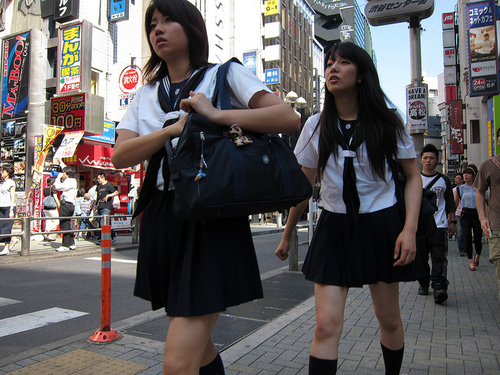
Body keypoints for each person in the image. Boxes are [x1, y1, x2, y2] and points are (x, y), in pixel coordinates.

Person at [110, 1, 300, 373]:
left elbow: (286, 117)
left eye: (168, 20)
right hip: (163, 215)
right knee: (200, 347)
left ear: (192, 27)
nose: (158, 30)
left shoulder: (224, 75)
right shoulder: (146, 92)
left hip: (211, 215)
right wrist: (170, 130)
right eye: (152, 24)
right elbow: (120, 156)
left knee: (178, 363)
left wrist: (214, 114)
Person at [274, 42, 423, 375]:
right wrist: (287, 235)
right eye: (329, 63)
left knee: (389, 319)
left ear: (361, 75)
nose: (333, 68)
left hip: (381, 224)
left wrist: (408, 229)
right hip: (333, 227)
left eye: (343, 62)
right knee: (326, 326)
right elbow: (303, 186)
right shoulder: (315, 125)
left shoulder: (388, 121)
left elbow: (413, 177)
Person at [416, 144, 456, 304]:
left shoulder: (444, 180)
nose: (428, 161)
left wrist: (452, 221)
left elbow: (449, 203)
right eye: (425, 158)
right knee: (420, 257)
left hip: (439, 225)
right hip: (420, 227)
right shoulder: (415, 179)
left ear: (437, 160)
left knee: (439, 258)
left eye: (431, 158)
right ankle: (423, 283)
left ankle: (439, 287)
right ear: (421, 160)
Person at [475, 127, 500, 300]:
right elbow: (479, 191)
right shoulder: (489, 165)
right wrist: (482, 218)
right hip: (497, 224)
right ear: (498, 140)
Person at [455, 165, 482, 271]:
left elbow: (485, 203)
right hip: (465, 214)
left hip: (477, 214)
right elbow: (456, 203)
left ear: (474, 175)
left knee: (478, 238)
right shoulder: (460, 188)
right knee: (467, 236)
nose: (465, 175)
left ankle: (478, 255)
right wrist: (451, 218)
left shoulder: (480, 188)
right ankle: (470, 260)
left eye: (468, 173)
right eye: (464, 173)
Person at [54, 166, 77, 252]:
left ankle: (65, 245)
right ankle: (71, 243)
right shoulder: (72, 181)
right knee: (67, 223)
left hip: (66, 204)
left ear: (67, 174)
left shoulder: (70, 181)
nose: (62, 174)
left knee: (64, 224)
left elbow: (57, 187)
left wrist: (58, 177)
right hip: (69, 204)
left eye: (63, 172)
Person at [95, 172, 118, 243]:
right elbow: (97, 197)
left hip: (106, 206)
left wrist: (108, 196)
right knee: (100, 223)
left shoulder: (109, 185)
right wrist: (96, 206)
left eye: (99, 178)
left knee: (104, 223)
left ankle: (104, 239)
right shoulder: (98, 186)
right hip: (100, 206)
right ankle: (109, 235)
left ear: (103, 178)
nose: (98, 180)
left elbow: (116, 192)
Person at [0, 164, 16, 255]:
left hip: (8, 207)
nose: (2, 173)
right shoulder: (3, 183)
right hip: (1, 206)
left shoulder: (11, 183)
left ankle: (6, 247)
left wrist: (11, 209)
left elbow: (12, 196)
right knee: (1, 227)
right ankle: (13, 239)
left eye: (3, 171)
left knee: (6, 227)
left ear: (8, 172)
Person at [453, 173, 466, 256]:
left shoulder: (466, 189)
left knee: (465, 232)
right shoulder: (454, 190)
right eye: (456, 178)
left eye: (458, 178)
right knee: (460, 232)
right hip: (457, 212)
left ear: (462, 180)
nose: (456, 179)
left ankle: (467, 247)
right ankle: (462, 249)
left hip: (465, 212)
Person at [42, 177, 59, 242]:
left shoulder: (45, 189)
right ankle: (48, 231)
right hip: (52, 207)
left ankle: (47, 235)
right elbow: (55, 197)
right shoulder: (52, 188)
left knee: (48, 220)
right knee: (57, 220)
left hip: (46, 207)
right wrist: (59, 205)